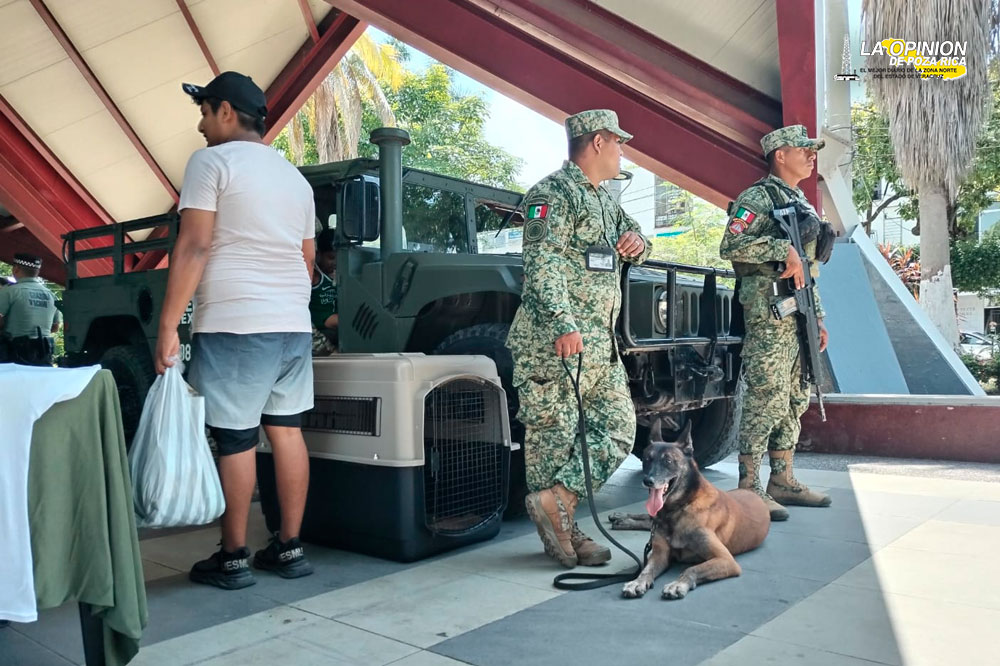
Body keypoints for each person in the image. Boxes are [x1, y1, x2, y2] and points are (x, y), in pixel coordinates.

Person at [154, 71, 316, 589]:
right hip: (292, 327)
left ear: (225, 111)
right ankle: (289, 548)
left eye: (204, 112)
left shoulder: (211, 162)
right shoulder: (295, 180)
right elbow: (306, 260)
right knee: (286, 432)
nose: (201, 126)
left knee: (236, 439)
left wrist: (167, 325)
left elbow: (194, 245)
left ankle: (233, 558)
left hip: (236, 324)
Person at [506, 109, 651, 568]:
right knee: (554, 436)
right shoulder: (552, 193)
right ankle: (564, 530)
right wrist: (562, 323)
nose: (623, 151)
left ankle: (562, 500)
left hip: (600, 347)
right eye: (618, 142)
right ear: (598, 142)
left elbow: (639, 238)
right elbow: (542, 263)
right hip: (556, 343)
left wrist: (638, 242)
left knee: (619, 426)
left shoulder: (605, 200)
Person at [719, 124, 833, 522]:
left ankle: (782, 479)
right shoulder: (757, 197)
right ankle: (748, 486)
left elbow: (808, 269)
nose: (811, 155)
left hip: (798, 311)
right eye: (803, 149)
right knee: (766, 395)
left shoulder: (799, 200)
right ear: (779, 155)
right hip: (769, 312)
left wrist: (817, 315)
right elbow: (730, 245)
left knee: (795, 396)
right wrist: (780, 247)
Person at [0, 254, 61, 366]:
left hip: (14, 355)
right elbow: (55, 327)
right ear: (37, 272)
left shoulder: (9, 291)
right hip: (44, 353)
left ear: (16, 269)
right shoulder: (51, 295)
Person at [309, 228, 338, 355]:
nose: (335, 263)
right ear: (318, 254)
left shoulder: (336, 275)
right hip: (322, 324)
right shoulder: (315, 276)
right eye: (331, 258)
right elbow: (329, 321)